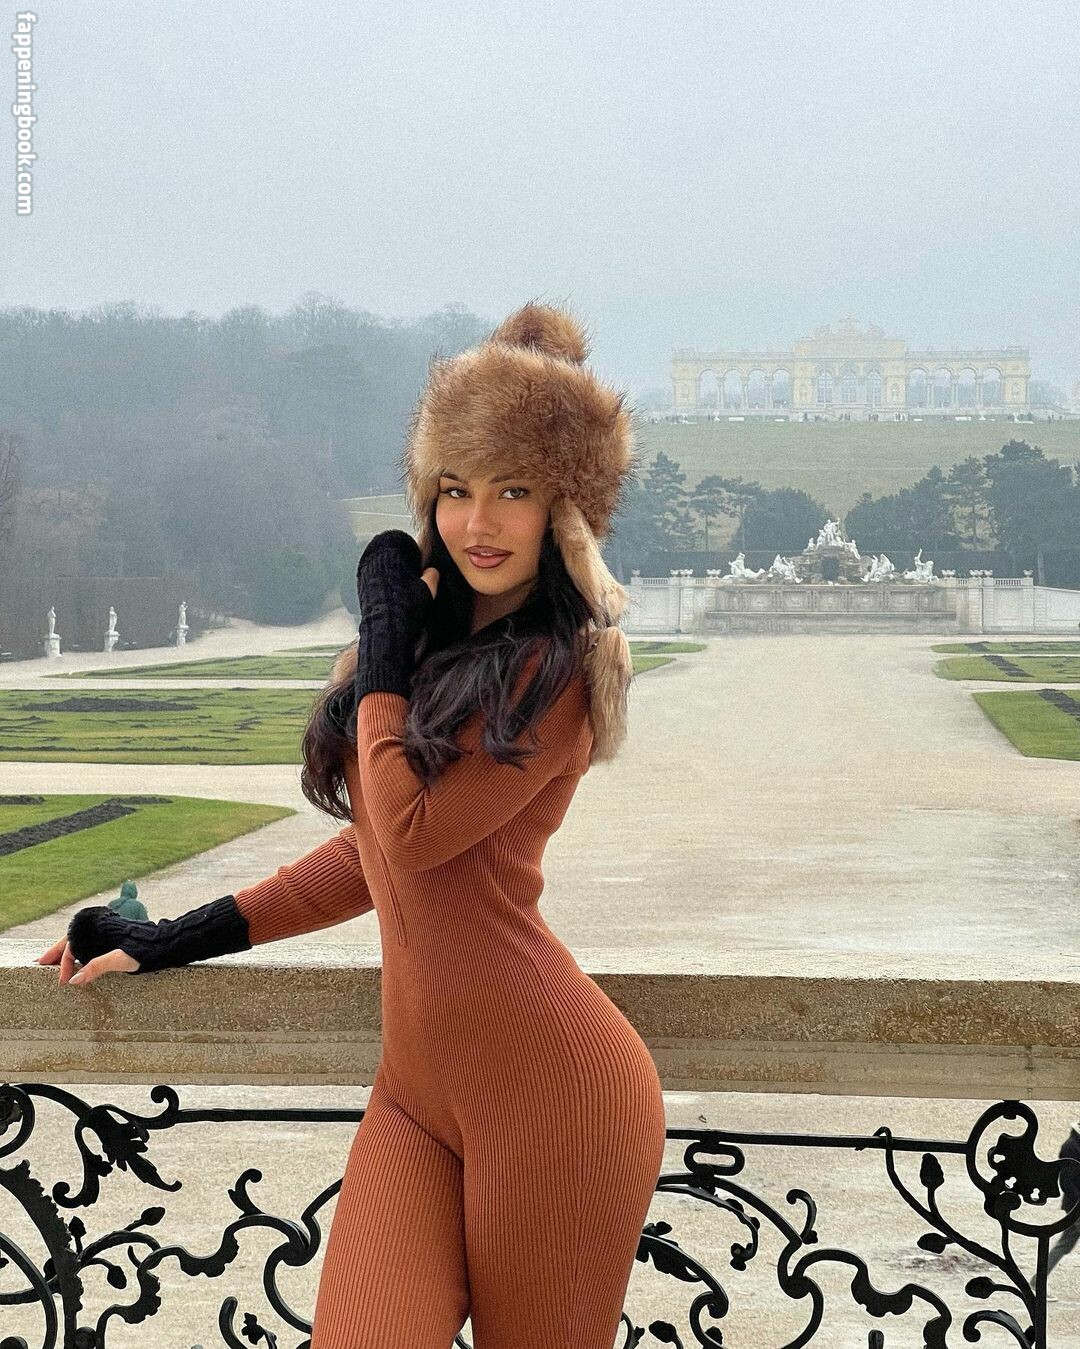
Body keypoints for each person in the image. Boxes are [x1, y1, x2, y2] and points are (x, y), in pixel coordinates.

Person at [35, 300, 667, 1349]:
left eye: (513, 490)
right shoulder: (431, 660)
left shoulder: (557, 670)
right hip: (414, 1096)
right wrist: (169, 937)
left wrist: (380, 644)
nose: (478, 521)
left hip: (555, 1095)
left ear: (563, 510)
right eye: (456, 489)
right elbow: (370, 854)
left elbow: (410, 831)